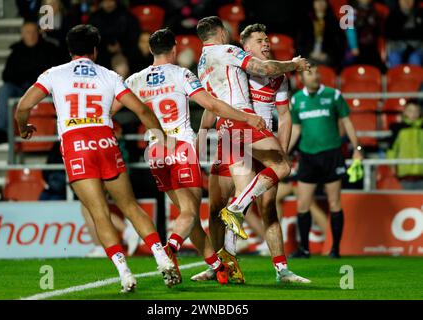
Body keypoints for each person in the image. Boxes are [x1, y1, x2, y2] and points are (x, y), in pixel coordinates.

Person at [15, 24, 180, 293]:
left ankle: (125, 273)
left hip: (76, 144)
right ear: (95, 49)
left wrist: (23, 128)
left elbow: (23, 105)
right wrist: (161, 139)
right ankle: (162, 257)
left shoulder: (54, 73)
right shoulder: (109, 75)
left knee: (99, 213)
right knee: (130, 206)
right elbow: (141, 110)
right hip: (105, 140)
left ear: (70, 50)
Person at [122, 28, 266, 285]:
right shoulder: (182, 74)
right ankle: (169, 250)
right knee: (189, 213)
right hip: (180, 147)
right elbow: (210, 105)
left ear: (151, 50)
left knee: (186, 217)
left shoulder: (135, 79)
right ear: (174, 49)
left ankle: (216, 265)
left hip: (154, 152)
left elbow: (112, 109)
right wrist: (246, 116)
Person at [192, 23, 310, 283]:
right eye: (259, 40)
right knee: (216, 207)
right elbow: (216, 103)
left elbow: (285, 116)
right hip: (238, 132)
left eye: (267, 39)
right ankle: (220, 267)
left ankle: (282, 270)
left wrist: (282, 150)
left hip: (260, 140)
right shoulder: (238, 65)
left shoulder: (278, 76)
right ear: (245, 47)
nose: (266, 43)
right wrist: (201, 135)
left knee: (267, 209)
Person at [288, 64, 363, 259]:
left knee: (334, 202)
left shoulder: (333, 95)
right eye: (309, 73)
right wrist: (284, 152)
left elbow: (347, 122)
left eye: (317, 72)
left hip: (332, 155)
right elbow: (296, 129)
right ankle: (304, 249)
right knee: (303, 204)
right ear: (301, 78)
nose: (314, 76)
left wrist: (357, 149)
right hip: (307, 156)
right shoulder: (296, 100)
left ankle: (335, 249)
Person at [0, 21, 60, 144]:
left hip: (43, 90)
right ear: (22, 35)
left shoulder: (49, 49)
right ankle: (2, 131)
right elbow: (6, 76)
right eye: (27, 32)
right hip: (21, 88)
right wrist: (28, 73)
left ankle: (59, 133)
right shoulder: (16, 51)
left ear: (39, 33)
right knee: (5, 90)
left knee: (57, 92)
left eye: (33, 32)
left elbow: (54, 73)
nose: (31, 35)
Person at [88, 0, 140, 69]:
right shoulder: (94, 18)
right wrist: (105, 47)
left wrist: (121, 48)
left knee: (121, 68)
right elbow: (90, 40)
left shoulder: (127, 16)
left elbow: (134, 37)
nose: (108, 3)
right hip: (100, 55)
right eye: (105, 1)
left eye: (111, 1)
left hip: (123, 54)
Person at [295, 0, 344, 70]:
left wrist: (327, 55)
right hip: (308, 55)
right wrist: (309, 53)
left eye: (323, 1)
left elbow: (339, 43)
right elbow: (299, 42)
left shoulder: (333, 21)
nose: (320, 4)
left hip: (327, 58)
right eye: (317, 1)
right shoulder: (306, 20)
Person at [387, 101, 423, 190]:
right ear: (405, 112)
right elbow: (391, 150)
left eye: (416, 111)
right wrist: (392, 166)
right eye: (410, 111)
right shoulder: (398, 129)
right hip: (405, 175)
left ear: (420, 112)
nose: (413, 114)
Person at [385, 0, 423, 67]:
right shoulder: (393, 14)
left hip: (416, 48)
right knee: (394, 58)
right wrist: (411, 33)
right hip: (397, 48)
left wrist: (403, 33)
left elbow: (420, 33)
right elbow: (389, 34)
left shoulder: (420, 13)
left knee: (415, 59)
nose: (407, 1)